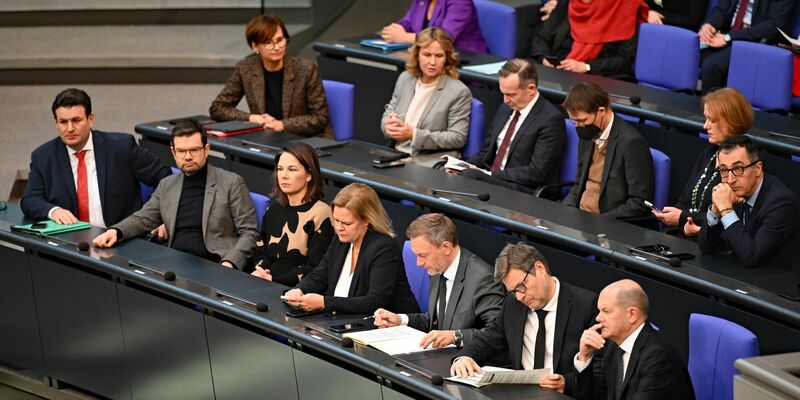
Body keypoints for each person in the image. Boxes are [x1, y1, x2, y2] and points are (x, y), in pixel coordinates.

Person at [92, 120, 260, 270]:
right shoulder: (167, 184)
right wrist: (116, 231)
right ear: (173, 153)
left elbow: (249, 232)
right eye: (181, 151)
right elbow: (143, 218)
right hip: (174, 262)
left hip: (214, 264)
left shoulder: (231, 183)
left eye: (194, 150)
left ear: (206, 150)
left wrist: (230, 262)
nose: (187, 157)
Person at [450, 242, 597, 396]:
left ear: (539, 269)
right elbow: (489, 339)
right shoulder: (513, 305)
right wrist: (464, 357)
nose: (519, 297)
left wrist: (566, 382)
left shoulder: (585, 305)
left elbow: (599, 373)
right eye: (513, 291)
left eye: (521, 286)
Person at [21, 88, 171, 227]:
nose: (70, 128)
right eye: (63, 122)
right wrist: (54, 211)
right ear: (56, 122)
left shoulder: (121, 147)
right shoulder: (43, 157)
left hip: (123, 239)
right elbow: (30, 199)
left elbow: (165, 178)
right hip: (70, 243)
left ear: (90, 119)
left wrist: (162, 218)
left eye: (76, 120)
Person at [373, 214, 505, 350]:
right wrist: (400, 320)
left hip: (467, 360)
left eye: (422, 255)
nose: (418, 263)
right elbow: (435, 322)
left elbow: (497, 333)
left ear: (446, 248)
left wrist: (457, 336)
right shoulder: (437, 268)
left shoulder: (483, 279)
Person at [283, 183, 419, 315]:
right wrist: (299, 290)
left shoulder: (384, 248)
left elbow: (375, 301)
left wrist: (324, 302)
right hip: (345, 323)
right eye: (336, 220)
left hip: (390, 328)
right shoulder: (341, 240)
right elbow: (320, 276)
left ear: (367, 220)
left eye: (347, 223)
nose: (339, 228)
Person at [455, 59, 565, 197]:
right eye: (503, 93)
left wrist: (489, 174)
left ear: (531, 89)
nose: (505, 100)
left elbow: (536, 173)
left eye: (511, 94)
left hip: (523, 189)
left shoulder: (550, 119)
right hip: (494, 178)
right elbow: (486, 152)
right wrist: (461, 165)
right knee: (449, 171)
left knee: (470, 177)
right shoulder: (505, 109)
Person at [209, 14, 332, 138]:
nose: (277, 47)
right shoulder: (246, 69)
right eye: (268, 43)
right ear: (255, 46)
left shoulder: (306, 69)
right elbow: (218, 108)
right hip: (267, 137)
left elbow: (320, 118)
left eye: (280, 40)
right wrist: (252, 118)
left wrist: (281, 125)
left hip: (304, 139)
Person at [653, 88, 754, 237]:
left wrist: (681, 218)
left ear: (731, 121)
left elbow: (727, 216)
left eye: (712, 120)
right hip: (684, 234)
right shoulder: (708, 154)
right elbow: (684, 199)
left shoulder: (744, 165)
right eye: (706, 119)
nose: (705, 126)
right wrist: (672, 215)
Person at [574, 279, 696, 399]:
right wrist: (584, 357)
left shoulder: (659, 358)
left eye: (606, 311)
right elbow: (594, 395)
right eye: (599, 311)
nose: (598, 318)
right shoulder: (614, 345)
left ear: (632, 314)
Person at [698, 136, 800, 270]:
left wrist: (726, 210)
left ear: (758, 169)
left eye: (738, 169)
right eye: (724, 170)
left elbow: (751, 256)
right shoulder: (735, 192)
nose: (730, 179)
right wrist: (715, 210)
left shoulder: (782, 204)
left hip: (779, 284)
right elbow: (706, 248)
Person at [381, 28, 472, 167]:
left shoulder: (458, 91)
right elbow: (389, 111)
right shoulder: (405, 79)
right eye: (427, 54)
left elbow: (457, 138)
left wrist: (414, 134)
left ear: (447, 57)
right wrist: (388, 126)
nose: (432, 62)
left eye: (439, 56)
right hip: (395, 156)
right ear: (417, 55)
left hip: (429, 163)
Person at [563, 82, 654, 219]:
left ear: (601, 112)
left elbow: (639, 202)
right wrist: (567, 210)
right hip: (581, 217)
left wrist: (601, 221)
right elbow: (579, 183)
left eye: (582, 120)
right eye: (574, 121)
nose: (578, 126)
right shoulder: (587, 134)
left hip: (609, 223)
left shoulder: (631, 142)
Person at [250, 142, 334, 286]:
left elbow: (316, 267)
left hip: (298, 289)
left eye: (292, 169)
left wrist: (274, 281)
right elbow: (261, 251)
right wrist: (261, 271)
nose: (283, 176)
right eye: (280, 169)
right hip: (265, 281)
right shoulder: (274, 210)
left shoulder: (321, 213)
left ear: (308, 175)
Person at [531, 0, 647, 81]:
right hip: (558, 71)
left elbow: (624, 60)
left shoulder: (624, 6)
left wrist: (586, 67)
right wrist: (544, 58)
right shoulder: (568, 3)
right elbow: (541, 38)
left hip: (598, 76)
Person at [698, 0, 796, 93]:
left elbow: (773, 25)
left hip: (758, 41)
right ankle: (722, 105)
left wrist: (729, 38)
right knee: (697, 55)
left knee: (712, 65)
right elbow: (722, 8)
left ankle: (714, 109)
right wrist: (710, 24)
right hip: (728, 33)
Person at [381, 0, 488, 54]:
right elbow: (407, 23)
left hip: (461, 62)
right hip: (429, 59)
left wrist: (405, 37)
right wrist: (394, 30)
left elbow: (444, 37)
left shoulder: (460, 2)